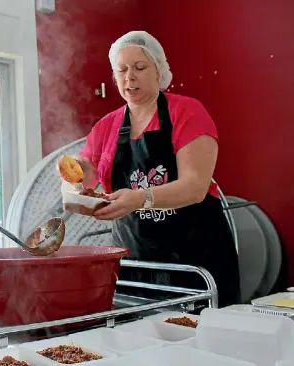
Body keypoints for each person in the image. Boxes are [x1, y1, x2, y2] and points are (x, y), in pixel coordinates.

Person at [71, 31, 241, 307]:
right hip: (136, 267)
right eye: (121, 70)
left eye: (139, 67)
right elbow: (86, 173)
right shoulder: (106, 126)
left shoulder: (187, 112)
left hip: (195, 262)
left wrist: (140, 198)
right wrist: (75, 176)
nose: (129, 77)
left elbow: (195, 187)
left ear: (159, 71)